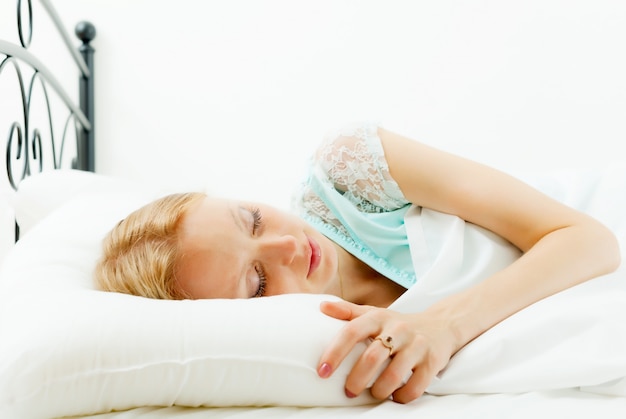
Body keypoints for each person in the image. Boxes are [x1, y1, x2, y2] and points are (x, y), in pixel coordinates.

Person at [95, 122, 620, 404]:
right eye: (256, 282)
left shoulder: (351, 171)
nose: (288, 248)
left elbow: (586, 237)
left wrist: (444, 325)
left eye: (252, 220)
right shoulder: (313, 346)